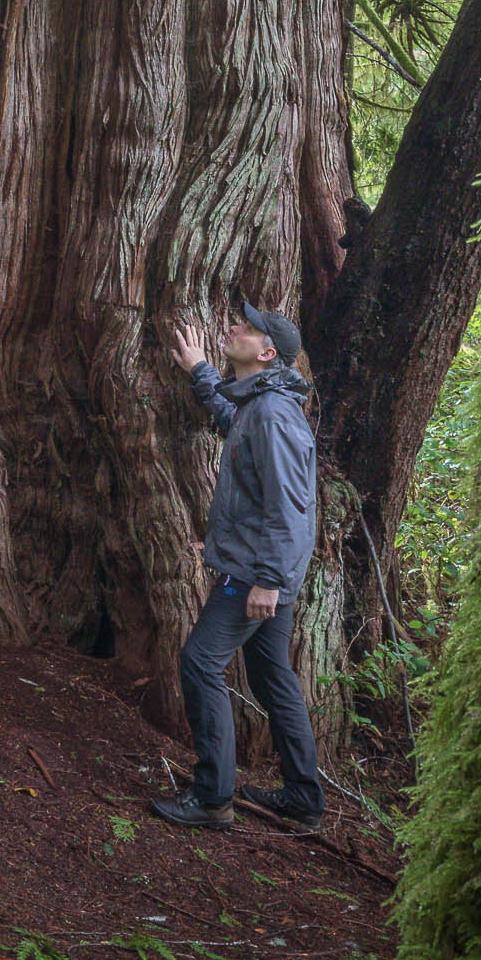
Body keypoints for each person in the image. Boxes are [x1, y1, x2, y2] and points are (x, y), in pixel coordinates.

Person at [150, 300, 326, 830]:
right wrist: (201, 372)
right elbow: (234, 423)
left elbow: (290, 506)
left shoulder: (273, 413)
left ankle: (212, 799)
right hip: (264, 569)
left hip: (255, 573)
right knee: (272, 678)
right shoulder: (260, 405)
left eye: (247, 329)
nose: (233, 327)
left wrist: (268, 580)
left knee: (200, 662)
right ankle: (302, 799)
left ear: (267, 354)